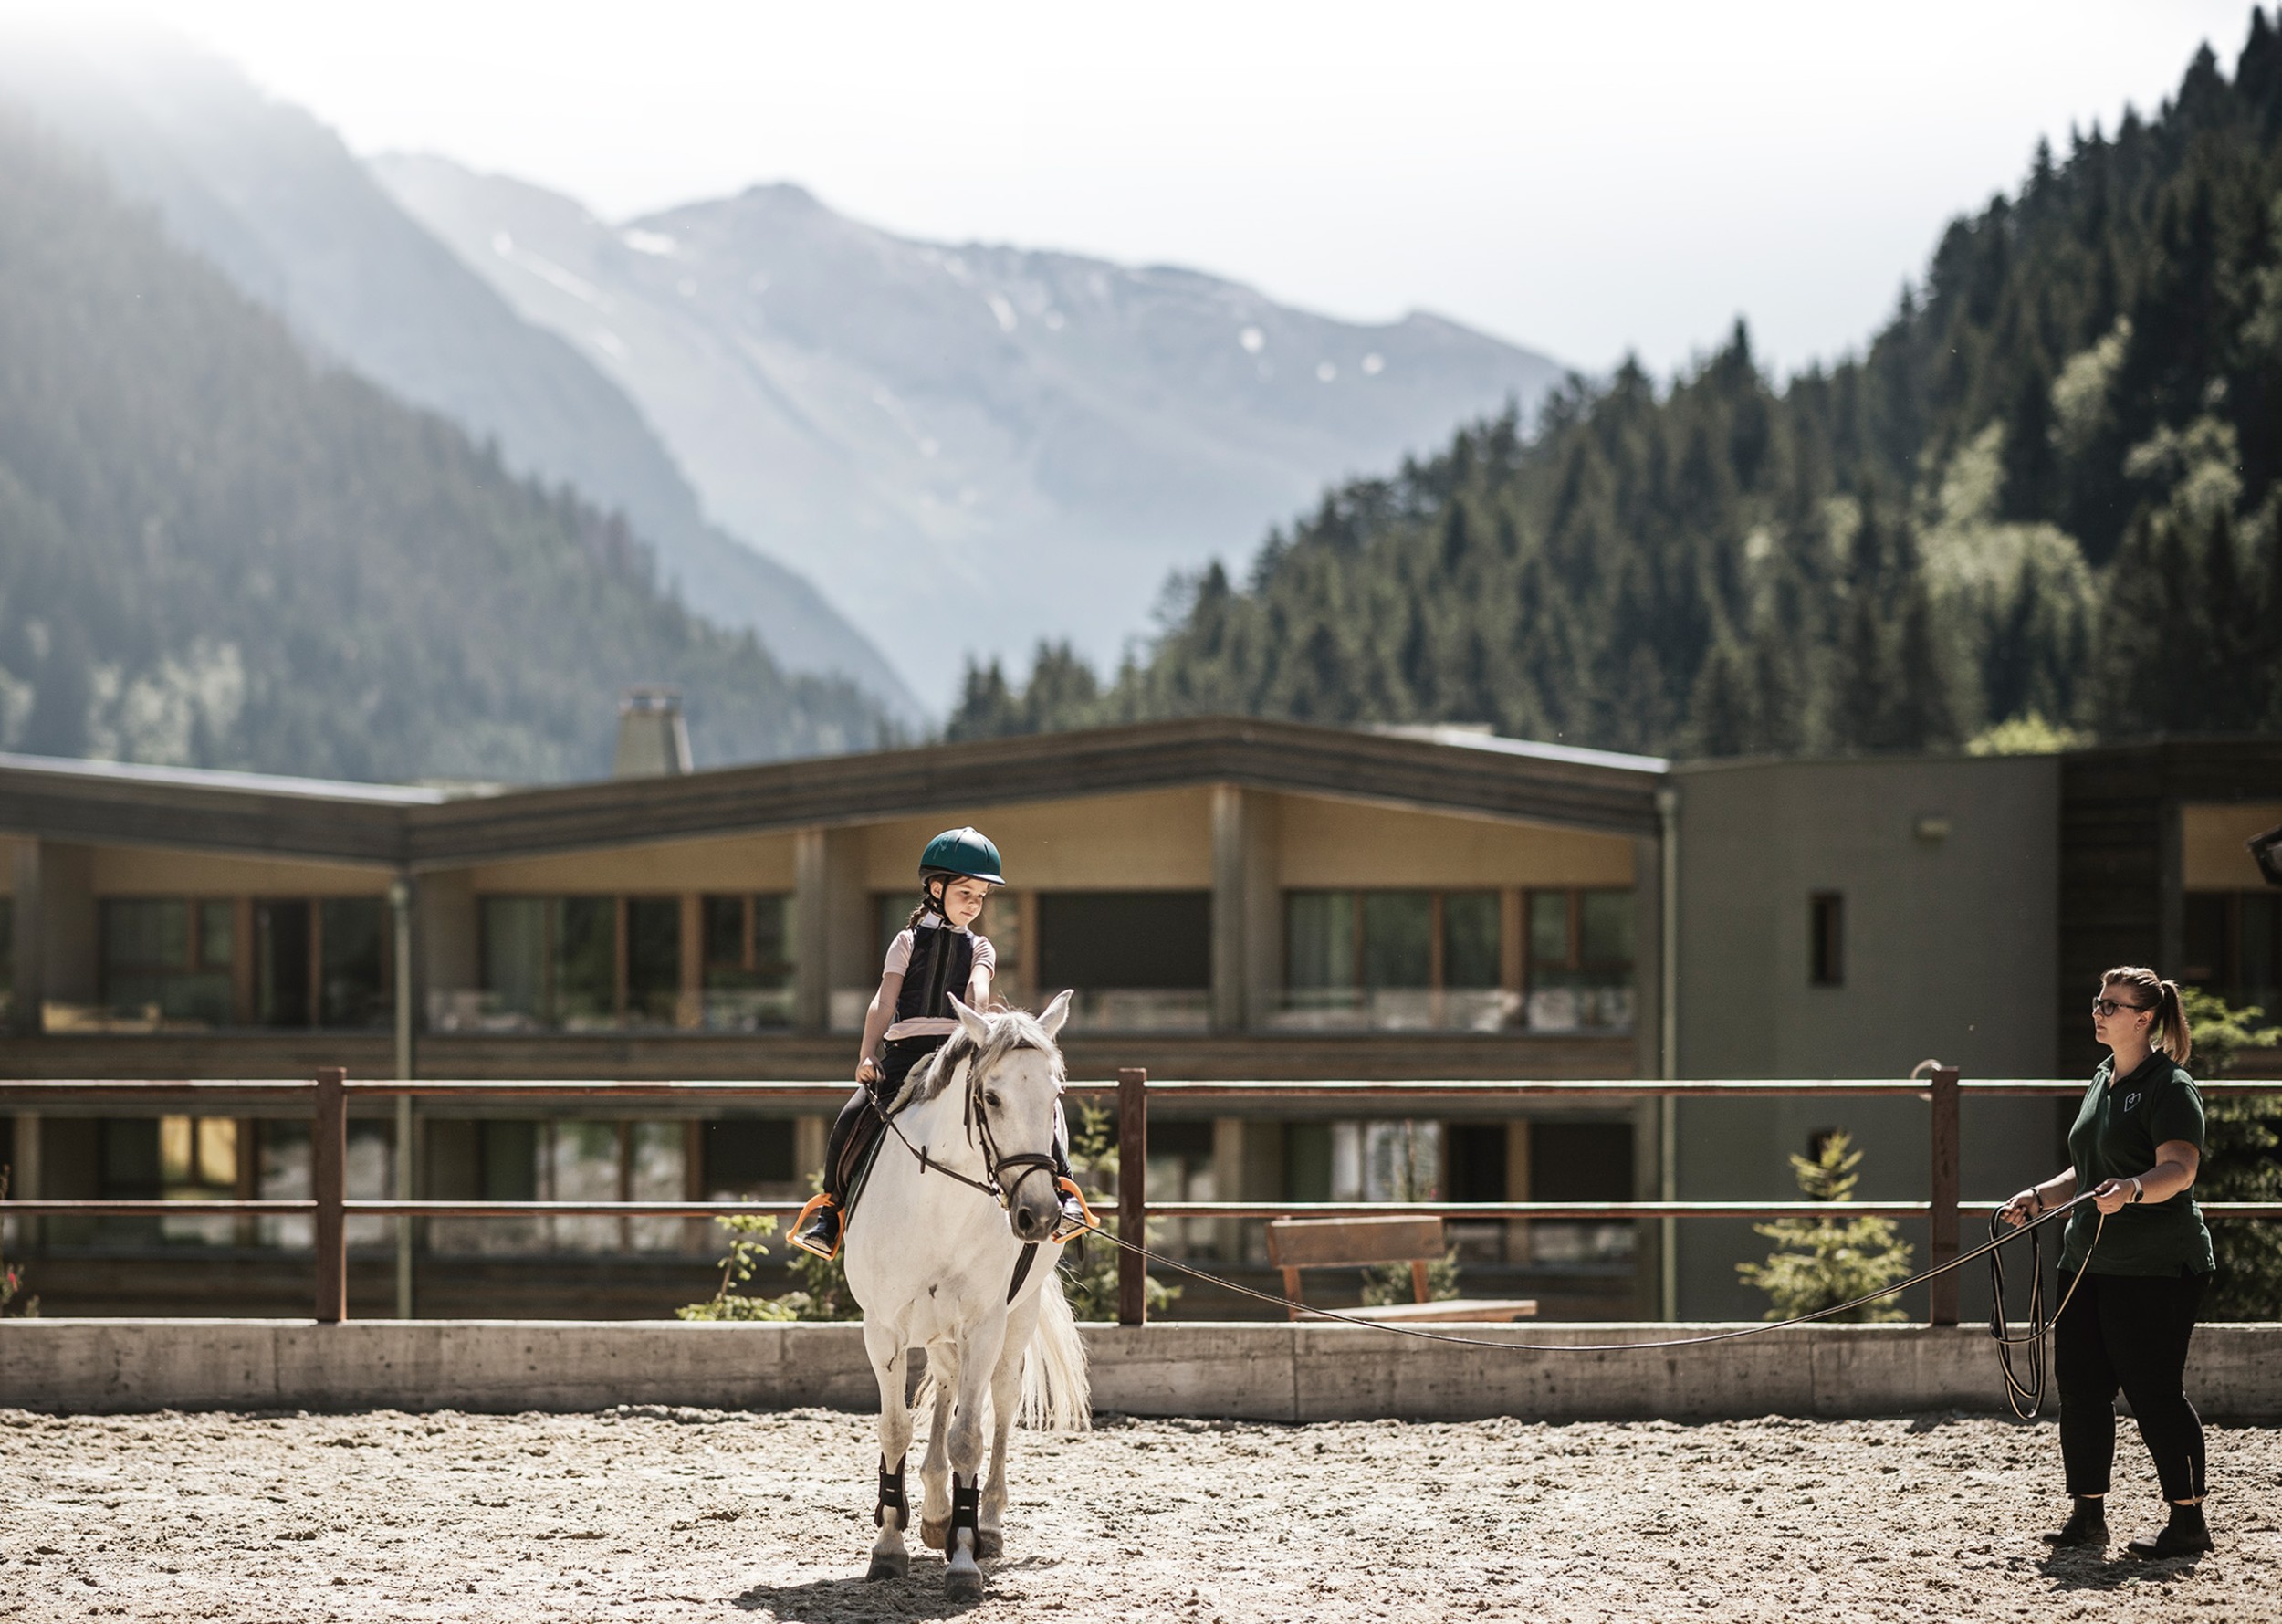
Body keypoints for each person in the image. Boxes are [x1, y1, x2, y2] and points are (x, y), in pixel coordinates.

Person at [1997, 966, 2214, 1559]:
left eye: (2112, 1004)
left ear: (2144, 1017)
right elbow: (2089, 1172)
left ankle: (2188, 1521)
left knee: (2153, 1390)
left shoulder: (2171, 1086)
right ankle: (2087, 1513)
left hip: (2158, 1266)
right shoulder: (2103, 1077)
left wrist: (2135, 1190)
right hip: (2089, 1260)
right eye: (2098, 1000)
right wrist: (2041, 1196)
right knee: (2083, 1387)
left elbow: (2180, 1168)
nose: (2098, 1010)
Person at [789, 825, 1082, 1259]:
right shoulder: (906, 943)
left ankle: (1064, 1190)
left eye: (981, 896)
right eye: (966, 892)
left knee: (1028, 1103)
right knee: (851, 1119)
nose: (974, 904)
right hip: (907, 1056)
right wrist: (867, 1053)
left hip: (959, 1049)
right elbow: (883, 1002)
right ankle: (831, 1210)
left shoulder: (981, 947)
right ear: (936, 887)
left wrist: (977, 1015)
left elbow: (978, 989)